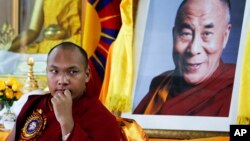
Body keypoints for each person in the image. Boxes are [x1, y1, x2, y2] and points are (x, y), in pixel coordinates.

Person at [133, 0, 235, 117]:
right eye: (186, 33)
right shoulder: (161, 84)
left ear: (225, 36)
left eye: (207, 34)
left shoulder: (238, 92)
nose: (193, 49)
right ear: (174, 35)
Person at [7, 42, 121, 140]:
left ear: (87, 75)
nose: (62, 81)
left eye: (73, 72)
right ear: (46, 72)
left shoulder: (103, 121)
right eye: (54, 71)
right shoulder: (34, 104)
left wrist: (66, 122)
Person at [8, 0, 81, 53]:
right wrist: (8, 46)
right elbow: (33, 31)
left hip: (76, 43)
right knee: (13, 58)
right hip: (47, 46)